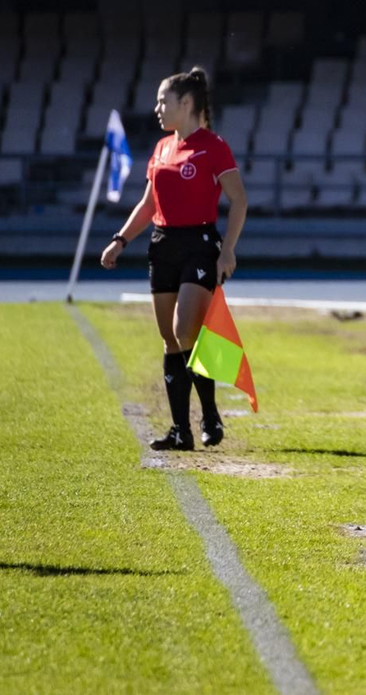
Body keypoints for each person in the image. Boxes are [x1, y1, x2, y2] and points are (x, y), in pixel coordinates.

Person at [101, 69, 246, 451]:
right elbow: (149, 204)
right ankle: (181, 430)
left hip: (199, 244)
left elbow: (239, 200)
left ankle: (210, 414)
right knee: (170, 341)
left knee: (186, 331)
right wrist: (120, 240)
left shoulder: (213, 146)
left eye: (163, 100)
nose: (157, 108)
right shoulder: (162, 148)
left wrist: (228, 249)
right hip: (162, 244)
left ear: (186, 103)